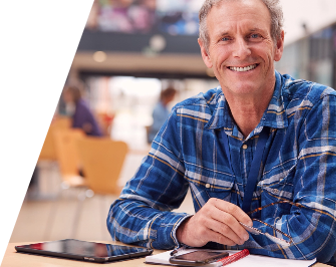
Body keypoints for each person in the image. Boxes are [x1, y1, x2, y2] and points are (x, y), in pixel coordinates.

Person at [107, 0, 336, 264]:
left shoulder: (318, 108)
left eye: (254, 36)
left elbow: (317, 237)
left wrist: (213, 236)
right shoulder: (187, 120)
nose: (241, 51)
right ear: (206, 53)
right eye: (225, 38)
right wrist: (186, 228)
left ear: (278, 44)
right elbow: (122, 213)